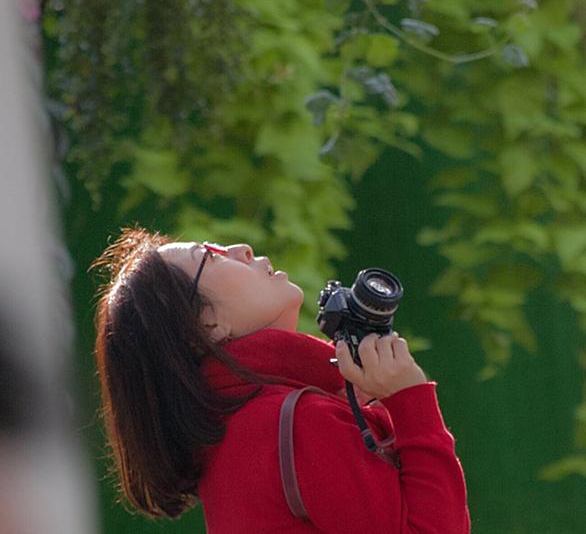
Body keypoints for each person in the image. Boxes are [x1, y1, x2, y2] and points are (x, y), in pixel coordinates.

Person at [94, 227, 471, 533]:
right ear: (206, 324)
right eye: (211, 256)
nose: (241, 249)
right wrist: (410, 403)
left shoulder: (235, 430)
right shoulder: (295, 423)